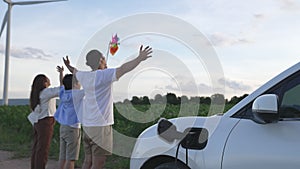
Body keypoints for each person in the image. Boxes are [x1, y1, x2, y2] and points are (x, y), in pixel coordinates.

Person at [63, 45, 152, 169]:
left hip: (87, 126)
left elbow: (75, 71)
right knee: (98, 164)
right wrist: (139, 59)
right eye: (104, 58)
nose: (106, 61)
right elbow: (123, 69)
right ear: (100, 60)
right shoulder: (104, 75)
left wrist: (68, 66)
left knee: (87, 162)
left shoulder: (84, 76)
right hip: (100, 127)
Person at [29, 68, 61, 169]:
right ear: (45, 82)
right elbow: (61, 89)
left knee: (37, 148)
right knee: (43, 149)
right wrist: (61, 74)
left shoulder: (37, 94)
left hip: (38, 122)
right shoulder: (46, 92)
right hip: (46, 122)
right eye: (47, 79)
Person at [54, 66, 84, 169]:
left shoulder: (63, 93)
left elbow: (61, 84)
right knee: (71, 159)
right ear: (75, 84)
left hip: (63, 127)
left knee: (62, 157)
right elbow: (90, 88)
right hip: (73, 128)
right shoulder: (77, 94)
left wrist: (61, 73)